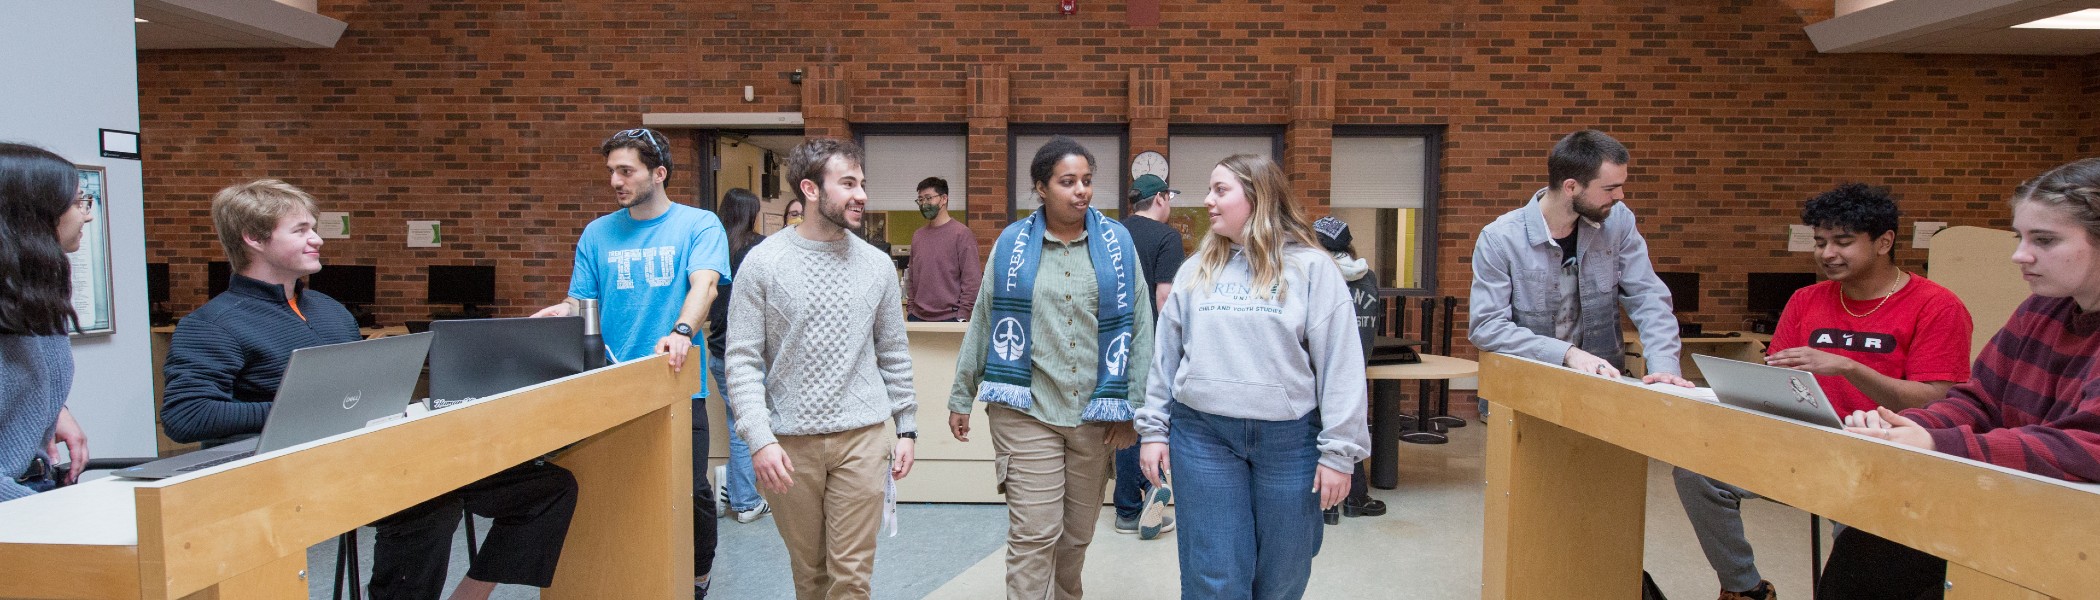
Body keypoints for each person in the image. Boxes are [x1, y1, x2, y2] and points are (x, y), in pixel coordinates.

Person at [163, 180, 575, 600]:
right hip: (288, 478)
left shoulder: (329, 310)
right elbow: (187, 416)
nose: (317, 239)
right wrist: (300, 410)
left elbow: (356, 394)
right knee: (429, 504)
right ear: (254, 239)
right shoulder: (211, 324)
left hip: (367, 458)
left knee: (545, 487)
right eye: (301, 230)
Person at [1673, 183, 1973, 600]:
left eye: (1843, 242)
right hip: (1806, 442)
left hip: (1883, 456)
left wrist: (1850, 368)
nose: (1827, 253)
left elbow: (1938, 398)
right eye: (1820, 242)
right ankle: (1745, 588)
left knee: (1855, 546)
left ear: (1885, 241)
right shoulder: (1806, 299)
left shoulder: (1937, 306)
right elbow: (1777, 375)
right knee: (1695, 473)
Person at [1830, 158, 2100, 599]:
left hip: (2076, 532)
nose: (2020, 255)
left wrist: (1940, 443)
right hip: (2017, 500)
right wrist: (1916, 426)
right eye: (2021, 237)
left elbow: (2088, 448)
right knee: (1868, 550)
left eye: (2045, 240)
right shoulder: (2042, 307)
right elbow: (1980, 400)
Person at [1131, 154, 1367, 599]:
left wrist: (1340, 452)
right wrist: (1153, 430)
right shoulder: (1196, 270)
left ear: (1257, 197)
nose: (1207, 201)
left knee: (1284, 572)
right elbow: (1165, 358)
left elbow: (1341, 364)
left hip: (1290, 441)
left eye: (1221, 190)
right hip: (1203, 436)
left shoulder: (1312, 269)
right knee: (1213, 575)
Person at [530, 128, 730, 598]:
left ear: (658, 174)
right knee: (618, 489)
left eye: (627, 171)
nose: (616, 181)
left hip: (678, 384)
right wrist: (562, 311)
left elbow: (705, 287)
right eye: (612, 172)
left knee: (692, 493)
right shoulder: (597, 233)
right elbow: (581, 301)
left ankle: (698, 577)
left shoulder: (698, 225)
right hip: (613, 388)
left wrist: (681, 332)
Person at [949, 136, 1152, 599]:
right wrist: (963, 392)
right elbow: (984, 318)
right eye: (1067, 182)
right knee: (1034, 534)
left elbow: (1141, 326)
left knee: (1076, 535)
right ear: (1041, 187)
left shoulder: (1117, 243)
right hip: (1026, 409)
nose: (1080, 191)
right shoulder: (1011, 244)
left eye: (1086, 181)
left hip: (1094, 414)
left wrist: (1132, 409)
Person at [724, 137, 918, 600]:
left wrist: (906, 425)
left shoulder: (875, 265)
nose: (862, 195)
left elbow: (892, 351)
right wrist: (759, 438)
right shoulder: (763, 263)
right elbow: (742, 359)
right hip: (789, 446)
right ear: (811, 189)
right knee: (810, 575)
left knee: (851, 578)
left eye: (862, 183)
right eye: (847, 183)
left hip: (862, 438)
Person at [1468, 129, 1693, 389]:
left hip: (1601, 389)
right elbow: (1487, 327)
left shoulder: (1618, 221)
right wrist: (1567, 354)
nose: (1619, 196)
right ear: (1571, 187)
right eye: (1610, 188)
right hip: (1523, 390)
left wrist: (1664, 368)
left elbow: (1648, 297)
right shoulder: (1500, 239)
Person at [0, 143, 91, 502]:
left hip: (32, 490)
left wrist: (53, 408)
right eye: (77, 203)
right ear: (31, 216)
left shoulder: (34, 297)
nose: (87, 216)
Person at [1111, 172, 1184, 538]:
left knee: (1126, 419)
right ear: (1160, 199)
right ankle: (1134, 502)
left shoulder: (1113, 233)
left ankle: (1131, 500)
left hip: (1111, 341)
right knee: (1149, 421)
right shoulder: (1167, 237)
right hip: (1150, 343)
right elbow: (1165, 299)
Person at [1312, 216, 1389, 523]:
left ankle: (1327, 506)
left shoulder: (1319, 276)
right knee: (1350, 428)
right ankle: (1356, 499)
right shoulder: (1368, 277)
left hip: (1323, 367)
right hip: (1359, 364)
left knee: (1324, 432)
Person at [708, 188, 768, 524]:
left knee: (737, 423)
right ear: (753, 213)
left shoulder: (714, 247)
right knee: (748, 426)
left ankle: (733, 484)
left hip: (717, 349)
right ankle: (744, 500)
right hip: (747, 351)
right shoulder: (759, 247)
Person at [906, 176, 981, 322]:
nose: (924, 204)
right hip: (917, 318)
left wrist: (962, 316)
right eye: (920, 200)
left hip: (951, 319)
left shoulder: (962, 234)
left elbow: (972, 280)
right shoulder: (918, 236)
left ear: (944, 199)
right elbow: (912, 278)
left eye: (929, 198)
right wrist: (910, 311)